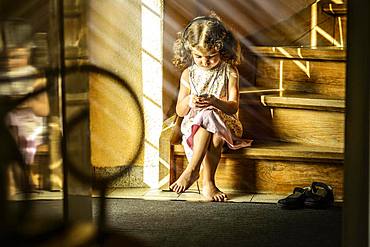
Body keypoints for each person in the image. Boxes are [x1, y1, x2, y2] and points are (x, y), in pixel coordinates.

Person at [170, 13, 252, 202]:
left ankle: (191, 170)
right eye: (198, 56)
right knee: (213, 136)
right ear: (189, 52)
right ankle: (209, 183)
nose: (205, 61)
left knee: (209, 114)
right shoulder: (188, 74)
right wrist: (190, 100)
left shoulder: (229, 71)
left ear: (222, 49)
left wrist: (215, 102)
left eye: (211, 56)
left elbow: (233, 107)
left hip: (227, 122)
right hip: (195, 125)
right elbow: (180, 111)